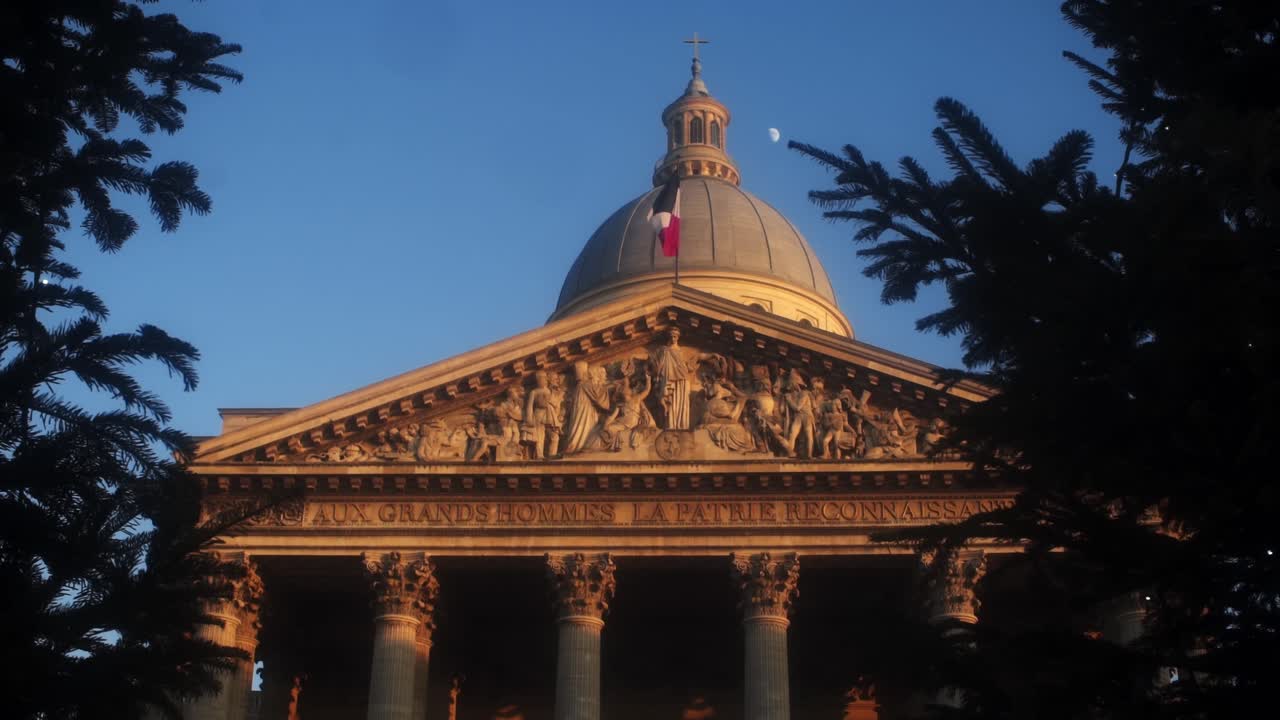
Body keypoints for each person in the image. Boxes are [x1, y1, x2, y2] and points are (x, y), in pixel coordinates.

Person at [561, 361, 611, 455]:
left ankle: (573, 446)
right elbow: (599, 396)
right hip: (585, 414)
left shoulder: (579, 387)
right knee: (581, 430)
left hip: (583, 413)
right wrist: (607, 387)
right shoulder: (585, 385)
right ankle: (575, 446)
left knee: (577, 430)